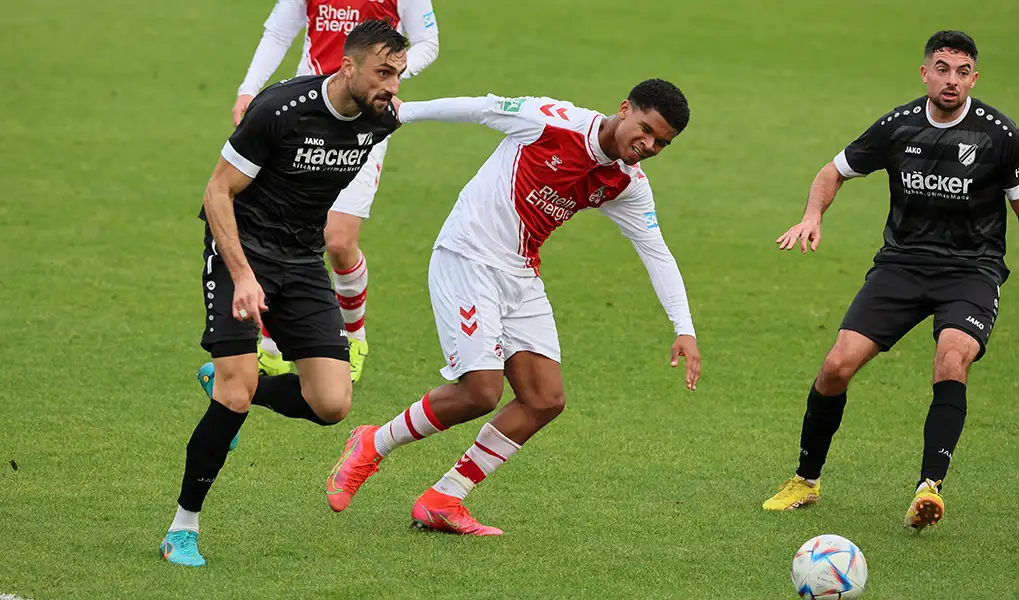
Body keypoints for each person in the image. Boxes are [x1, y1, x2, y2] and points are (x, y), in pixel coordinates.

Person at [324, 80, 702, 535]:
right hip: (468, 258)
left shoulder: (626, 183)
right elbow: (480, 108)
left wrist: (684, 327)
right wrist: (404, 113)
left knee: (545, 399)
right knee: (481, 391)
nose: (649, 146)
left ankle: (444, 498)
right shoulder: (550, 121)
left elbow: (655, 249)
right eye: (645, 130)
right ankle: (371, 443)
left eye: (662, 143)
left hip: (521, 274)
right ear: (624, 109)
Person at [160, 20, 406, 567]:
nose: (393, 86)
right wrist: (244, 275)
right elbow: (217, 190)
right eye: (383, 72)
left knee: (332, 404)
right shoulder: (279, 110)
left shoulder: (380, 121)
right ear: (347, 65)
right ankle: (183, 528)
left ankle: (234, 386)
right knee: (236, 390)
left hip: (300, 259)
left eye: (399, 74)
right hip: (240, 250)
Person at [763, 30, 1019, 529]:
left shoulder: (999, 135)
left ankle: (929, 488)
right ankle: (805, 481)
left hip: (972, 270)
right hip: (901, 265)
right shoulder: (899, 126)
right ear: (925, 72)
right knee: (836, 366)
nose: (951, 80)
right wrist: (812, 215)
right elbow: (832, 171)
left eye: (962, 72)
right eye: (942, 69)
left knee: (952, 357)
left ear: (974, 78)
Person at [234, 0, 441, 382]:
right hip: (306, 112)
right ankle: (272, 344)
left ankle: (354, 337)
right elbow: (280, 31)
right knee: (281, 225)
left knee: (339, 242)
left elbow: (428, 41)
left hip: (363, 116)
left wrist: (383, 77)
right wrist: (249, 89)